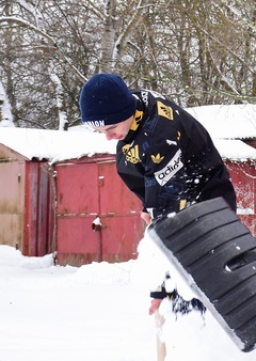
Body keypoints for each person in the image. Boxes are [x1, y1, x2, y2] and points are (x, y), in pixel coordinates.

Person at [79, 73, 237, 315]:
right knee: (182, 276)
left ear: (127, 110)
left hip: (206, 198)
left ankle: (201, 335)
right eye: (100, 130)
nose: (108, 137)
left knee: (197, 278)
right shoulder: (133, 111)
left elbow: (170, 213)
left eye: (111, 128)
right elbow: (153, 182)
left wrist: (161, 287)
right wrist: (147, 205)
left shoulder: (159, 137)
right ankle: (183, 326)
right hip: (177, 189)